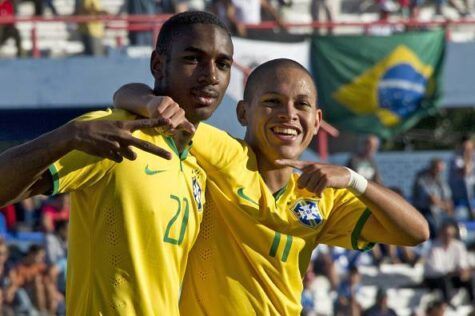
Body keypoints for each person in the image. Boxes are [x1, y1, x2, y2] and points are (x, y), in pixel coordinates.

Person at [115, 58, 429, 314]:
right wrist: (153, 103)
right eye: (272, 102)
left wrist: (354, 179)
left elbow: (416, 232)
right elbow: (126, 96)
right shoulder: (224, 154)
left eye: (301, 105)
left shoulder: (326, 197)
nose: (288, 114)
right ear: (242, 112)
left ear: (317, 120)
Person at [0, 11, 233, 315]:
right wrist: (69, 136)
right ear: (158, 66)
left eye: (223, 64)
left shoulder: (200, 161)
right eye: (193, 59)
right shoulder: (113, 131)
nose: (211, 75)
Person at [423, 221, 475, 306]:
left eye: (450, 234)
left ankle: (472, 302)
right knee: (444, 279)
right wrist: (450, 272)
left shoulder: (458, 246)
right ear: (441, 233)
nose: (448, 237)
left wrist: (462, 270)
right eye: (445, 234)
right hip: (434, 278)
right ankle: (448, 304)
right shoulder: (433, 247)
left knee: (470, 278)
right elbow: (433, 269)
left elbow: (462, 262)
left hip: (452, 276)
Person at [413, 158, 453, 238]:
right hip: (425, 210)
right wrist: (445, 206)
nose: (440, 172)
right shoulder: (422, 178)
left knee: (452, 224)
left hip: (439, 210)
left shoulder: (440, 178)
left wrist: (449, 206)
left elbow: (447, 195)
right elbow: (431, 199)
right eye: (438, 169)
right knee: (435, 225)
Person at [449, 135, 475, 219]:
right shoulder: (456, 158)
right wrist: (467, 156)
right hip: (460, 197)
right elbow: (465, 172)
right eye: (465, 147)